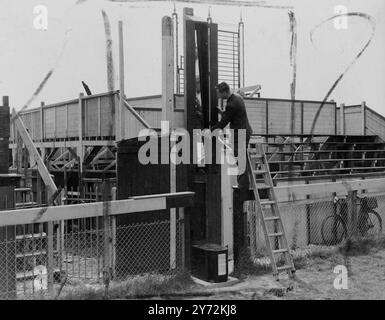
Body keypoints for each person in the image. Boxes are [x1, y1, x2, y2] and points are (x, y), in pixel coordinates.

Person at [211, 82, 253, 201]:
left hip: (239, 134)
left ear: (224, 92)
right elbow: (232, 115)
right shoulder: (237, 98)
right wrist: (222, 112)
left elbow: (223, 122)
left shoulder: (231, 104)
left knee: (240, 159)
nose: (218, 96)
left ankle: (243, 188)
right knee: (242, 158)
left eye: (219, 94)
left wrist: (211, 130)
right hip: (245, 131)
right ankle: (245, 184)